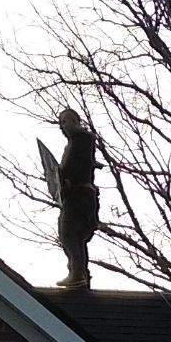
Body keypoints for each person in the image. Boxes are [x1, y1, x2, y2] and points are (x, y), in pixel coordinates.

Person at [54, 108, 99, 291]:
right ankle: (79, 274)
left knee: (68, 233)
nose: (62, 126)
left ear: (74, 121)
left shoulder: (82, 140)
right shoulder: (77, 142)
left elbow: (74, 168)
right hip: (80, 197)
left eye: (65, 121)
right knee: (76, 237)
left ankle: (77, 273)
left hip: (78, 197)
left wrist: (61, 176)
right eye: (61, 123)